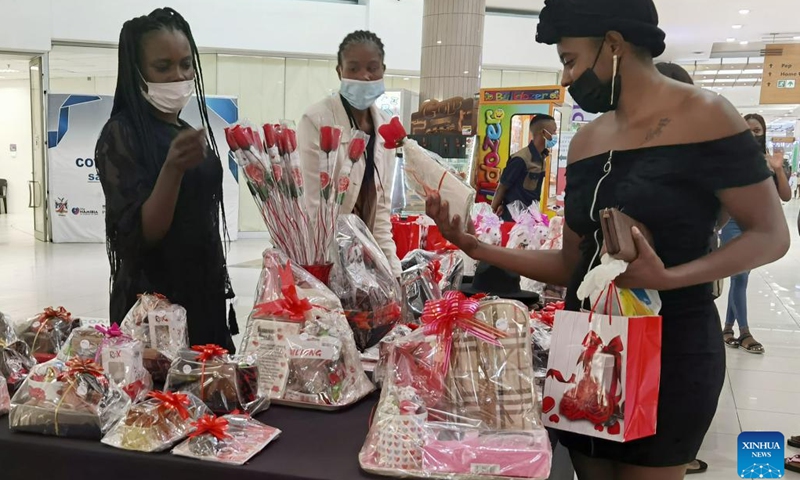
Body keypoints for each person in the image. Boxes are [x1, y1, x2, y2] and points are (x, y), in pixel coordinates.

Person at [425, 0, 790, 478]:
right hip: (587, 347)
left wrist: (670, 276)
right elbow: (572, 264)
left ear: (614, 44)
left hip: (673, 346)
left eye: (570, 60)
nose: (566, 78)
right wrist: (475, 248)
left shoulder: (707, 116)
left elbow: (770, 235)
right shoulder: (587, 140)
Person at [95, 8, 237, 351]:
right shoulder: (121, 134)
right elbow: (141, 235)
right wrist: (172, 169)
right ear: (137, 70)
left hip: (202, 294)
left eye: (186, 64)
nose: (179, 75)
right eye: (163, 67)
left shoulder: (185, 131)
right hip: (154, 307)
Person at [298, 30, 401, 276]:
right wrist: (338, 272)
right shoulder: (316, 120)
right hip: (323, 256)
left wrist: (392, 270)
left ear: (383, 70)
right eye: (353, 68)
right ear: (339, 71)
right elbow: (315, 209)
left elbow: (381, 212)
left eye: (372, 68)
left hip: (367, 259)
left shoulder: (385, 127)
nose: (364, 76)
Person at [655, 61, 708, 477]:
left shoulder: (708, 159)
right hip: (604, 332)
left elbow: (770, 236)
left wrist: (668, 277)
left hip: (679, 333)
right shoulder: (603, 152)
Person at [719, 113, 791, 354]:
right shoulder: (728, 159)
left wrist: (778, 169)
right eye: (747, 129)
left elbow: (785, 196)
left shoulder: (768, 162)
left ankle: (727, 329)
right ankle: (745, 332)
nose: (752, 134)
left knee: (740, 279)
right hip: (731, 223)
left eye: (757, 130)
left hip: (756, 227)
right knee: (739, 276)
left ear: (764, 133)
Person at [491, 114, 558, 221]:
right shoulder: (520, 159)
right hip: (513, 218)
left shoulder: (542, 157)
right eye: (554, 131)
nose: (555, 135)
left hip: (530, 217)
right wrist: (491, 215)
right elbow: (502, 187)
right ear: (543, 133)